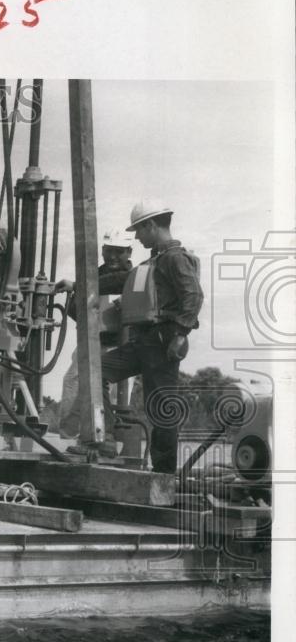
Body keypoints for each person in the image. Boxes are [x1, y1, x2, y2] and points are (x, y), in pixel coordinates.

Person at [58, 200, 203, 472]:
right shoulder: (155, 261)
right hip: (144, 342)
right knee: (94, 372)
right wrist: (77, 285)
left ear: (151, 225)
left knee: (161, 409)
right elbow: (118, 281)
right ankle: (106, 438)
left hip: (164, 341)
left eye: (139, 230)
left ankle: (163, 476)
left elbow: (193, 295)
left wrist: (181, 334)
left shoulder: (175, 258)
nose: (136, 236)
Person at [57, 230, 134, 443]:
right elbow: (74, 308)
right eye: (109, 251)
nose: (112, 257)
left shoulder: (133, 278)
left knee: (112, 396)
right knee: (72, 383)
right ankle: (67, 440)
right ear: (101, 250)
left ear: (129, 252)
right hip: (90, 341)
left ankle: (107, 441)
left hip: (119, 346)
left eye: (118, 252)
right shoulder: (93, 275)